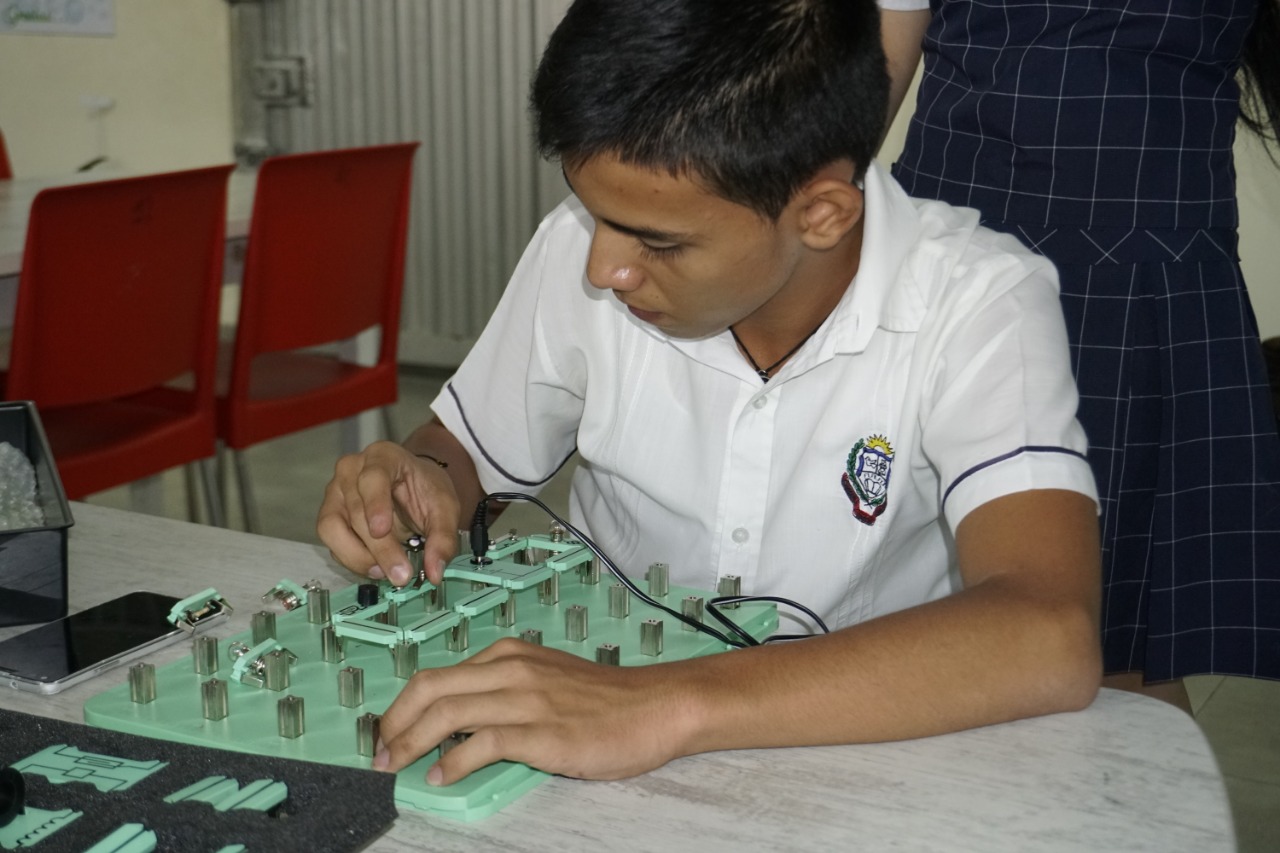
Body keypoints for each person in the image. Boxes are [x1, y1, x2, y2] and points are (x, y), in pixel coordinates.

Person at [318, 0, 1103, 787]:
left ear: (820, 214)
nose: (604, 269)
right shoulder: (584, 242)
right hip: (588, 741)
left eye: (658, 242)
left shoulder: (980, 303)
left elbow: (1048, 631)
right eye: (594, 214)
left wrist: (662, 703)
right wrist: (421, 478)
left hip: (858, 766)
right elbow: (460, 451)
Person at [881, 0, 1280, 710]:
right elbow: (879, 58)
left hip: (1143, 268)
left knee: (1114, 651)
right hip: (958, 240)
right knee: (912, 605)